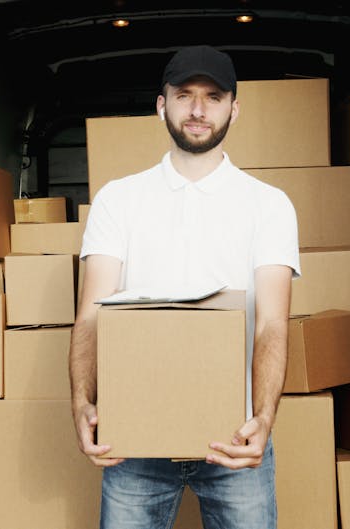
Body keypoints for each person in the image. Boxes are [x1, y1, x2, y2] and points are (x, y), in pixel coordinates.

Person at [69, 45, 300, 529]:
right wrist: (82, 401)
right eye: (184, 96)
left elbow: (272, 323)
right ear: (161, 105)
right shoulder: (119, 200)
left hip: (234, 435)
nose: (198, 110)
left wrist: (263, 419)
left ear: (234, 108)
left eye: (213, 97)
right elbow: (91, 314)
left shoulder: (268, 205)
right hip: (134, 440)